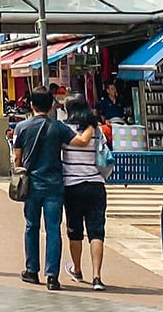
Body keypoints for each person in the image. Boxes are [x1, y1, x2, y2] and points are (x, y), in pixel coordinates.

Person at [13, 85, 77, 289]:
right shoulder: (58, 127)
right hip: (54, 185)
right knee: (53, 229)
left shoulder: (22, 127)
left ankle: (32, 270)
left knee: (31, 226)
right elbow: (77, 142)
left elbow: (17, 158)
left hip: (31, 185)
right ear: (51, 106)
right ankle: (52, 276)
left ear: (31, 105)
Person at [61, 94, 109, 290]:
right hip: (96, 184)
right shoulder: (96, 130)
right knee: (96, 232)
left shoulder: (64, 129)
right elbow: (104, 152)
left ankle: (78, 270)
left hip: (72, 185)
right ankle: (97, 276)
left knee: (75, 231)